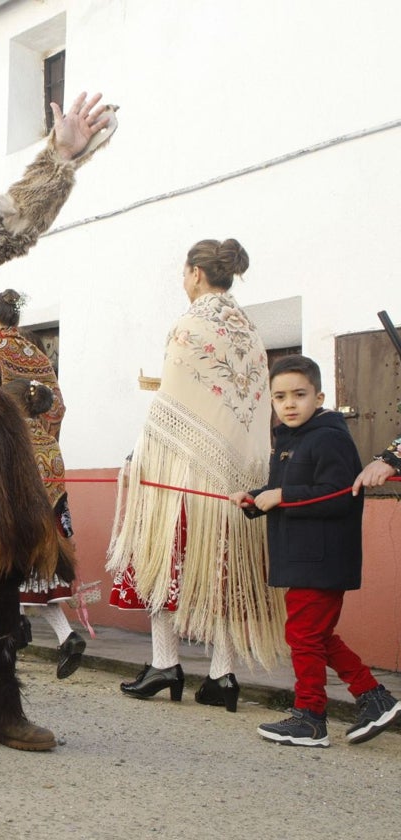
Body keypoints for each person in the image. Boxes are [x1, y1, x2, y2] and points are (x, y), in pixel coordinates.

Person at [106, 238, 285, 712]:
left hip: (184, 471)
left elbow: (171, 405)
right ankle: (223, 677)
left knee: (163, 557)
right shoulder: (249, 331)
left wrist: (139, 457)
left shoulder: (191, 323)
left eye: (183, 272)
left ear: (196, 273)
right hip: (239, 477)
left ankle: (165, 662)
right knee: (220, 570)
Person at [231, 355, 401, 747]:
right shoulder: (288, 439)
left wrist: (281, 495)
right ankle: (373, 697)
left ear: (319, 396)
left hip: (322, 557)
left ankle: (310, 717)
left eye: (299, 395)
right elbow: (288, 491)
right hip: (301, 555)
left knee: (304, 635)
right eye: (279, 397)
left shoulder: (329, 436)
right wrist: (255, 499)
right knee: (314, 634)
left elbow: (339, 496)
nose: (289, 404)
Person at [2, 378, 88, 678]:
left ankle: (11, 643)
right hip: (51, 524)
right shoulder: (50, 442)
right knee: (37, 591)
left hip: (23, 524)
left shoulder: (13, 440)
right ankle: (66, 638)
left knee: (9, 585)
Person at [0, 290, 66, 439]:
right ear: (16, 321)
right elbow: (57, 408)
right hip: (37, 451)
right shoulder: (40, 357)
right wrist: (40, 438)